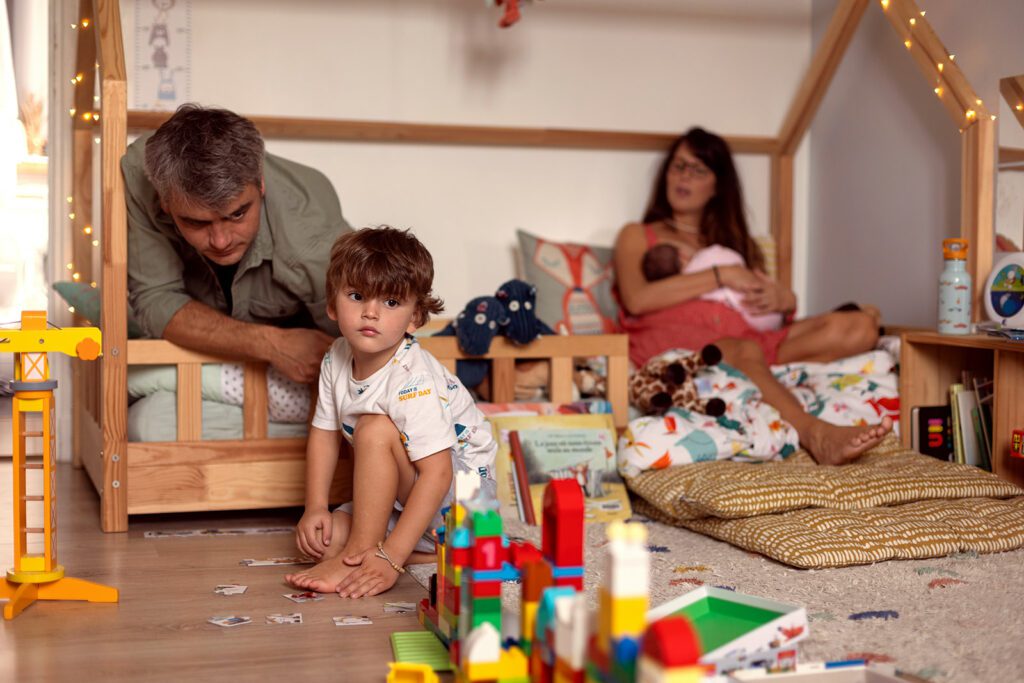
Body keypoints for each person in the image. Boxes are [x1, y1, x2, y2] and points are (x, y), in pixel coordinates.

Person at [614, 127, 891, 466]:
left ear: (718, 185)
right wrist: (722, 275)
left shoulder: (738, 244)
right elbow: (637, 299)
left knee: (859, 327)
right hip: (683, 346)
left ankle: (755, 375)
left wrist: (785, 300)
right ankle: (816, 434)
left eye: (698, 169)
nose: (684, 176)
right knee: (743, 349)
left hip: (750, 338)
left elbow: (764, 314)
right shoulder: (638, 234)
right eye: (679, 165)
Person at [285, 227, 497, 598]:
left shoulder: (412, 378)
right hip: (408, 496)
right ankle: (420, 553)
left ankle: (362, 553)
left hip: (463, 502)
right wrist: (315, 506)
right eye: (357, 296)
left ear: (415, 318)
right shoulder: (335, 358)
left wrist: (391, 558)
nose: (371, 312)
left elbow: (438, 473)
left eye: (391, 302)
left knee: (374, 428)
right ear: (332, 305)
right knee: (326, 538)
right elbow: (324, 434)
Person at [122, 103, 353, 384]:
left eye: (237, 214)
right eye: (196, 222)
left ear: (261, 185)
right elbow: (156, 299)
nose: (221, 241)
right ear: (165, 202)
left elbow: (359, 340)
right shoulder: (141, 172)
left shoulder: (312, 233)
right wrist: (270, 343)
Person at [642, 242, 783, 332]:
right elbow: (734, 259)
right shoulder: (709, 255)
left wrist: (788, 300)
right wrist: (725, 273)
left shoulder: (688, 287)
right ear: (682, 254)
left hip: (759, 317)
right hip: (761, 316)